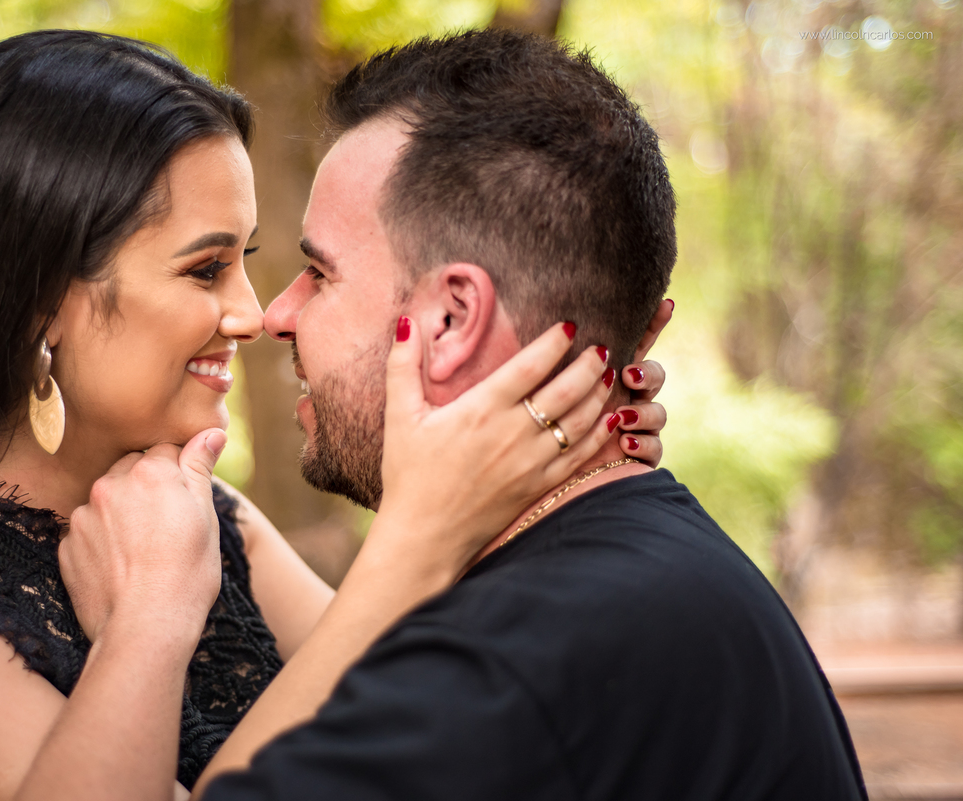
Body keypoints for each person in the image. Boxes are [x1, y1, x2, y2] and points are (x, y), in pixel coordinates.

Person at [0, 30, 670, 801]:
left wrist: (536, 459)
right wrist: (151, 625)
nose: (254, 312)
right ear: (40, 298)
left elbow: (444, 727)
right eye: (206, 269)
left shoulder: (202, 513)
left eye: (248, 259)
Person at [59, 30, 868, 801]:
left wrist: (143, 630)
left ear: (450, 320)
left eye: (319, 274)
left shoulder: (505, 663)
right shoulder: (648, 561)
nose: (276, 314)